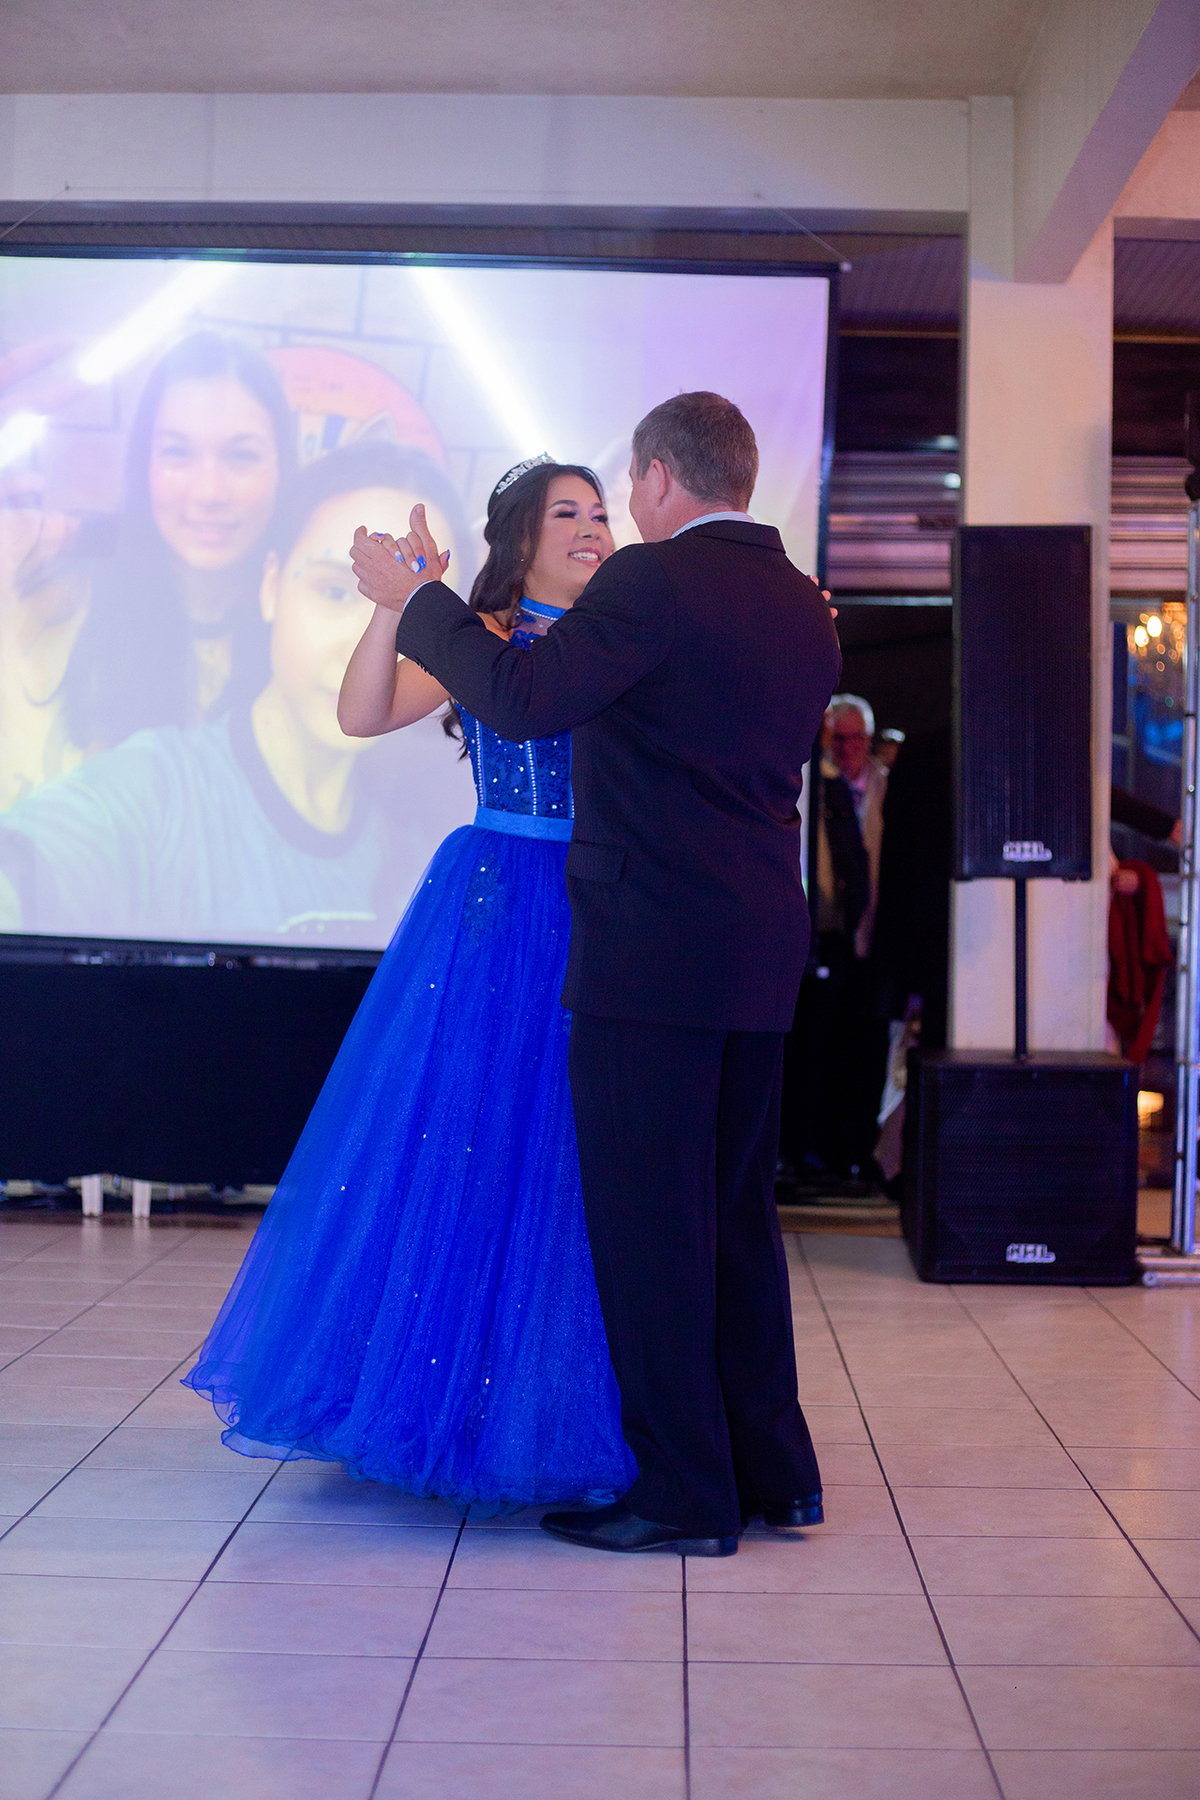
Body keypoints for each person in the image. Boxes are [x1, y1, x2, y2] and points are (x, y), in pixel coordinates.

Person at [354, 391, 841, 1558]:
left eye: (624, 490)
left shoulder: (653, 584)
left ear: (663, 479)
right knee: (732, 1220)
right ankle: (775, 1473)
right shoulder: (802, 605)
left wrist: (415, 598)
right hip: (757, 940)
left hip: (648, 950)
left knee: (649, 1226)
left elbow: (521, 699)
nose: (621, 511)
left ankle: (682, 1494)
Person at [182, 456, 636, 1516]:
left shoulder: (622, 640)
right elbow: (360, 710)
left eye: (602, 513)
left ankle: (556, 1402)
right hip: (497, 908)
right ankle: (443, 1403)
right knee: (466, 1144)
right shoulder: (480, 640)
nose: (591, 528)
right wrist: (399, 604)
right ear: (519, 540)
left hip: (597, 905)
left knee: (571, 1157)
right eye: (567, 513)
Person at [0, 443, 463, 946]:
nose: (364, 650)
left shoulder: (426, 850)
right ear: (271, 584)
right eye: (333, 592)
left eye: (417, 616)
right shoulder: (154, 793)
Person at [61, 330, 296, 756]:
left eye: (241, 456)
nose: (209, 492)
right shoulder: (64, 607)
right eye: (177, 453)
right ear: (144, 462)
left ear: (283, 466)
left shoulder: (311, 622)